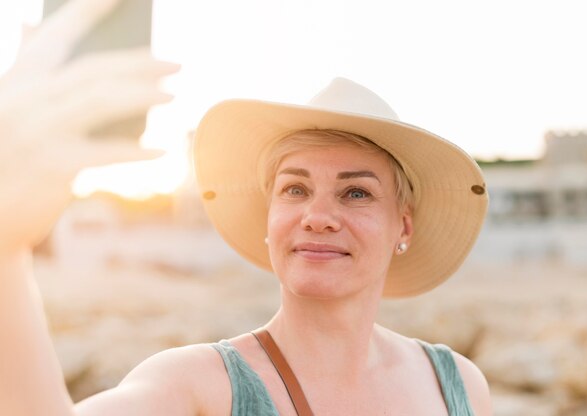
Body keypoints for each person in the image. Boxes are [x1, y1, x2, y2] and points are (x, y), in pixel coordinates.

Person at [0, 1, 491, 416]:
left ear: (402, 225)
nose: (316, 215)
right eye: (294, 190)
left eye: (356, 192)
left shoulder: (458, 386)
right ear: (269, 218)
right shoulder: (198, 386)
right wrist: (7, 245)